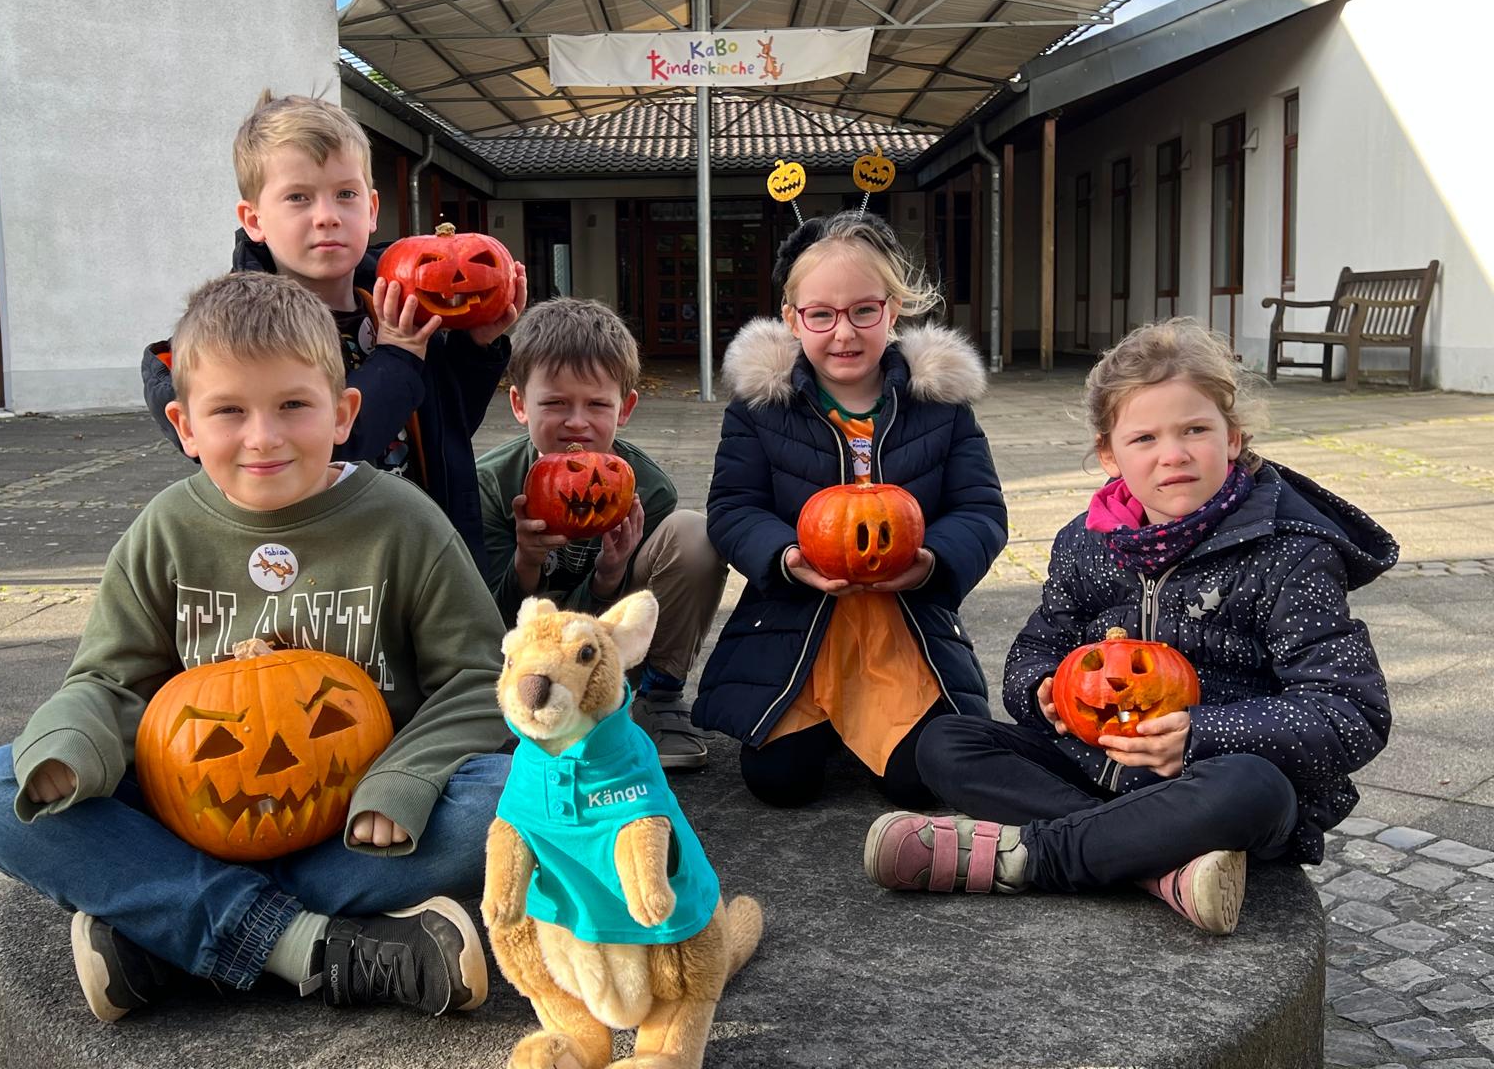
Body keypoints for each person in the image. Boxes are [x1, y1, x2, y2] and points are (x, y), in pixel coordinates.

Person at [0, 273, 512, 1021]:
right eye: (229, 412)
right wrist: (71, 743)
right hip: (196, 812)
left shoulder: (404, 523)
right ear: (185, 426)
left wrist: (407, 778)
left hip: (367, 822)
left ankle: (169, 932)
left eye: (293, 405)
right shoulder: (166, 531)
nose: (264, 436)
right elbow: (112, 679)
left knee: (513, 798)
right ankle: (315, 946)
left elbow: (479, 680)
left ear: (344, 412)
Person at [864, 317, 1395, 935]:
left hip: (1206, 779)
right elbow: (1039, 645)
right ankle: (1151, 864)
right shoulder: (1085, 543)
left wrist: (1200, 733)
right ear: (1110, 453)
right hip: (1091, 768)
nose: (1173, 454)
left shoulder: (1289, 555)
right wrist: (1041, 691)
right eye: (1145, 438)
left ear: (1233, 439)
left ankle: (1039, 856)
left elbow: (1352, 711)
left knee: (1254, 788)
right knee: (947, 741)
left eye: (1195, 429)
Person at [695, 212, 1007, 808]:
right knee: (778, 783)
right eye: (822, 315)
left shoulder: (940, 408)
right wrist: (785, 556)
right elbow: (734, 507)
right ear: (792, 319)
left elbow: (981, 510)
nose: (844, 333)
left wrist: (933, 561)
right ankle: (821, 719)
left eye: (864, 310)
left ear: (892, 310)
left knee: (921, 784)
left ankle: (879, 718)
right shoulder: (761, 409)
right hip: (797, 629)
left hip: (904, 628)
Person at [140, 90, 522, 570]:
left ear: (372, 208)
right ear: (254, 219)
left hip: (421, 558)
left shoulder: (394, 310)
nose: (327, 215)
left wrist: (475, 348)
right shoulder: (228, 347)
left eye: (346, 194)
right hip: (321, 572)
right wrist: (399, 357)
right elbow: (329, 449)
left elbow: (446, 429)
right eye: (298, 197)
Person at [477, 297, 724, 772]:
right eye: (554, 403)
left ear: (625, 407)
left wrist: (610, 574)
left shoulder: (645, 489)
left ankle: (657, 697)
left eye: (596, 404)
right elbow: (488, 616)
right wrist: (525, 562)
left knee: (694, 534)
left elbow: (635, 610)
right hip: (518, 657)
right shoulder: (489, 484)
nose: (576, 422)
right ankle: (529, 709)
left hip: (605, 653)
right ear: (519, 405)